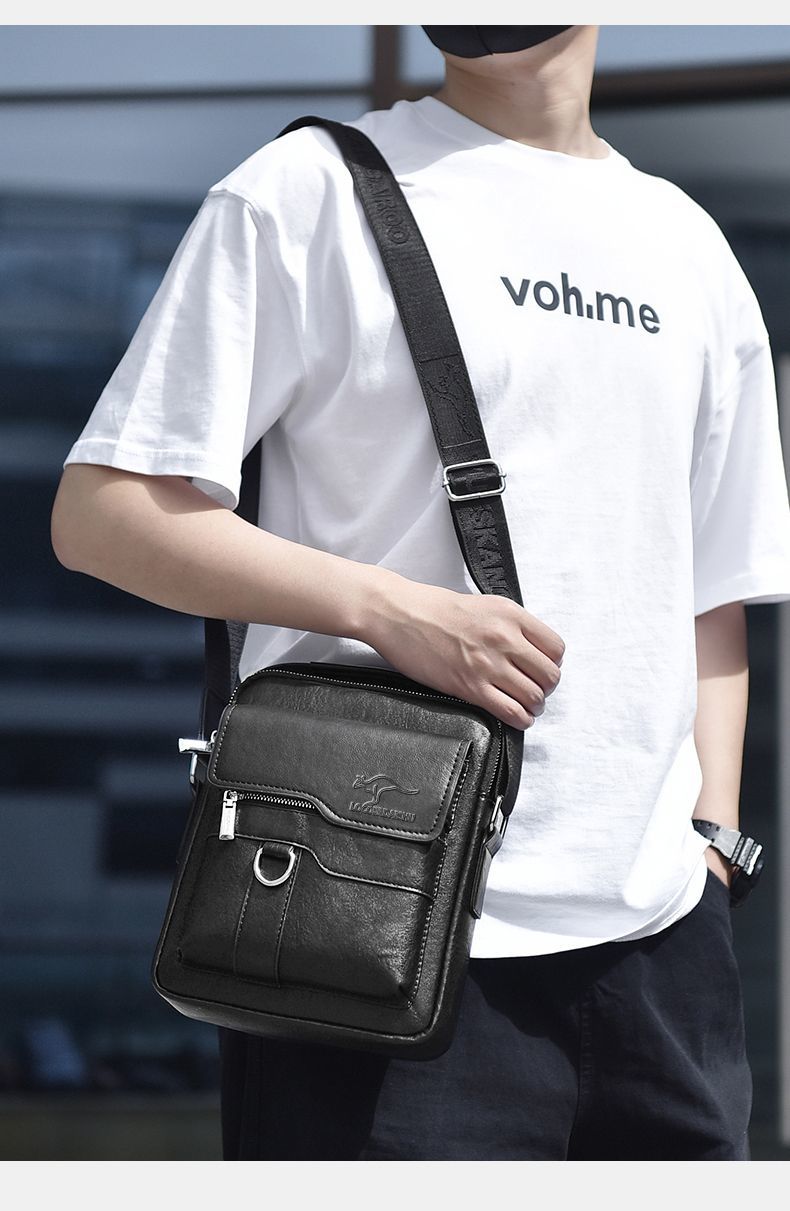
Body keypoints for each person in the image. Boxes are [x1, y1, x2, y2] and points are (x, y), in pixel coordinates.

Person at [50, 25, 790, 1160]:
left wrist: (712, 843)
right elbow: (102, 512)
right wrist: (388, 609)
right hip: (370, 918)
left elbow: (711, 584)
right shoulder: (304, 191)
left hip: (661, 954)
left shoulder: (686, 244)